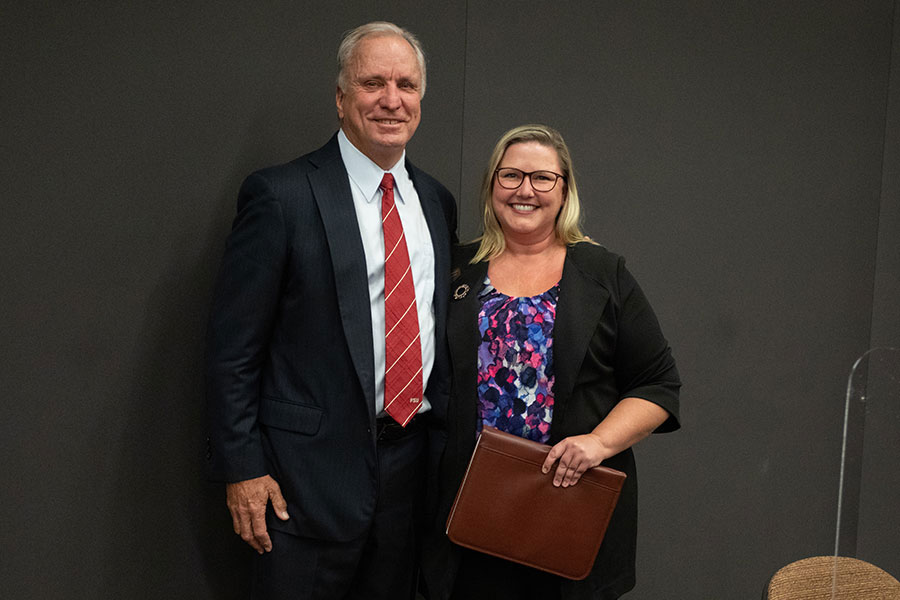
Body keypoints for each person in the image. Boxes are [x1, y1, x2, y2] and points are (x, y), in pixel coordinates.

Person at [205, 21, 457, 600]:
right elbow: (231, 349)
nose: (392, 100)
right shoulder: (282, 195)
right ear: (341, 98)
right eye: (373, 83)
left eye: (406, 85)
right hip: (300, 486)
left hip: (409, 481)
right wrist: (242, 467)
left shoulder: (436, 202)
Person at [420, 124, 680, 600]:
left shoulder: (603, 273)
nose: (525, 190)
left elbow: (658, 384)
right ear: (492, 185)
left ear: (564, 191)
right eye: (511, 175)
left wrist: (599, 442)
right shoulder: (455, 267)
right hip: (469, 505)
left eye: (542, 178)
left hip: (567, 503)